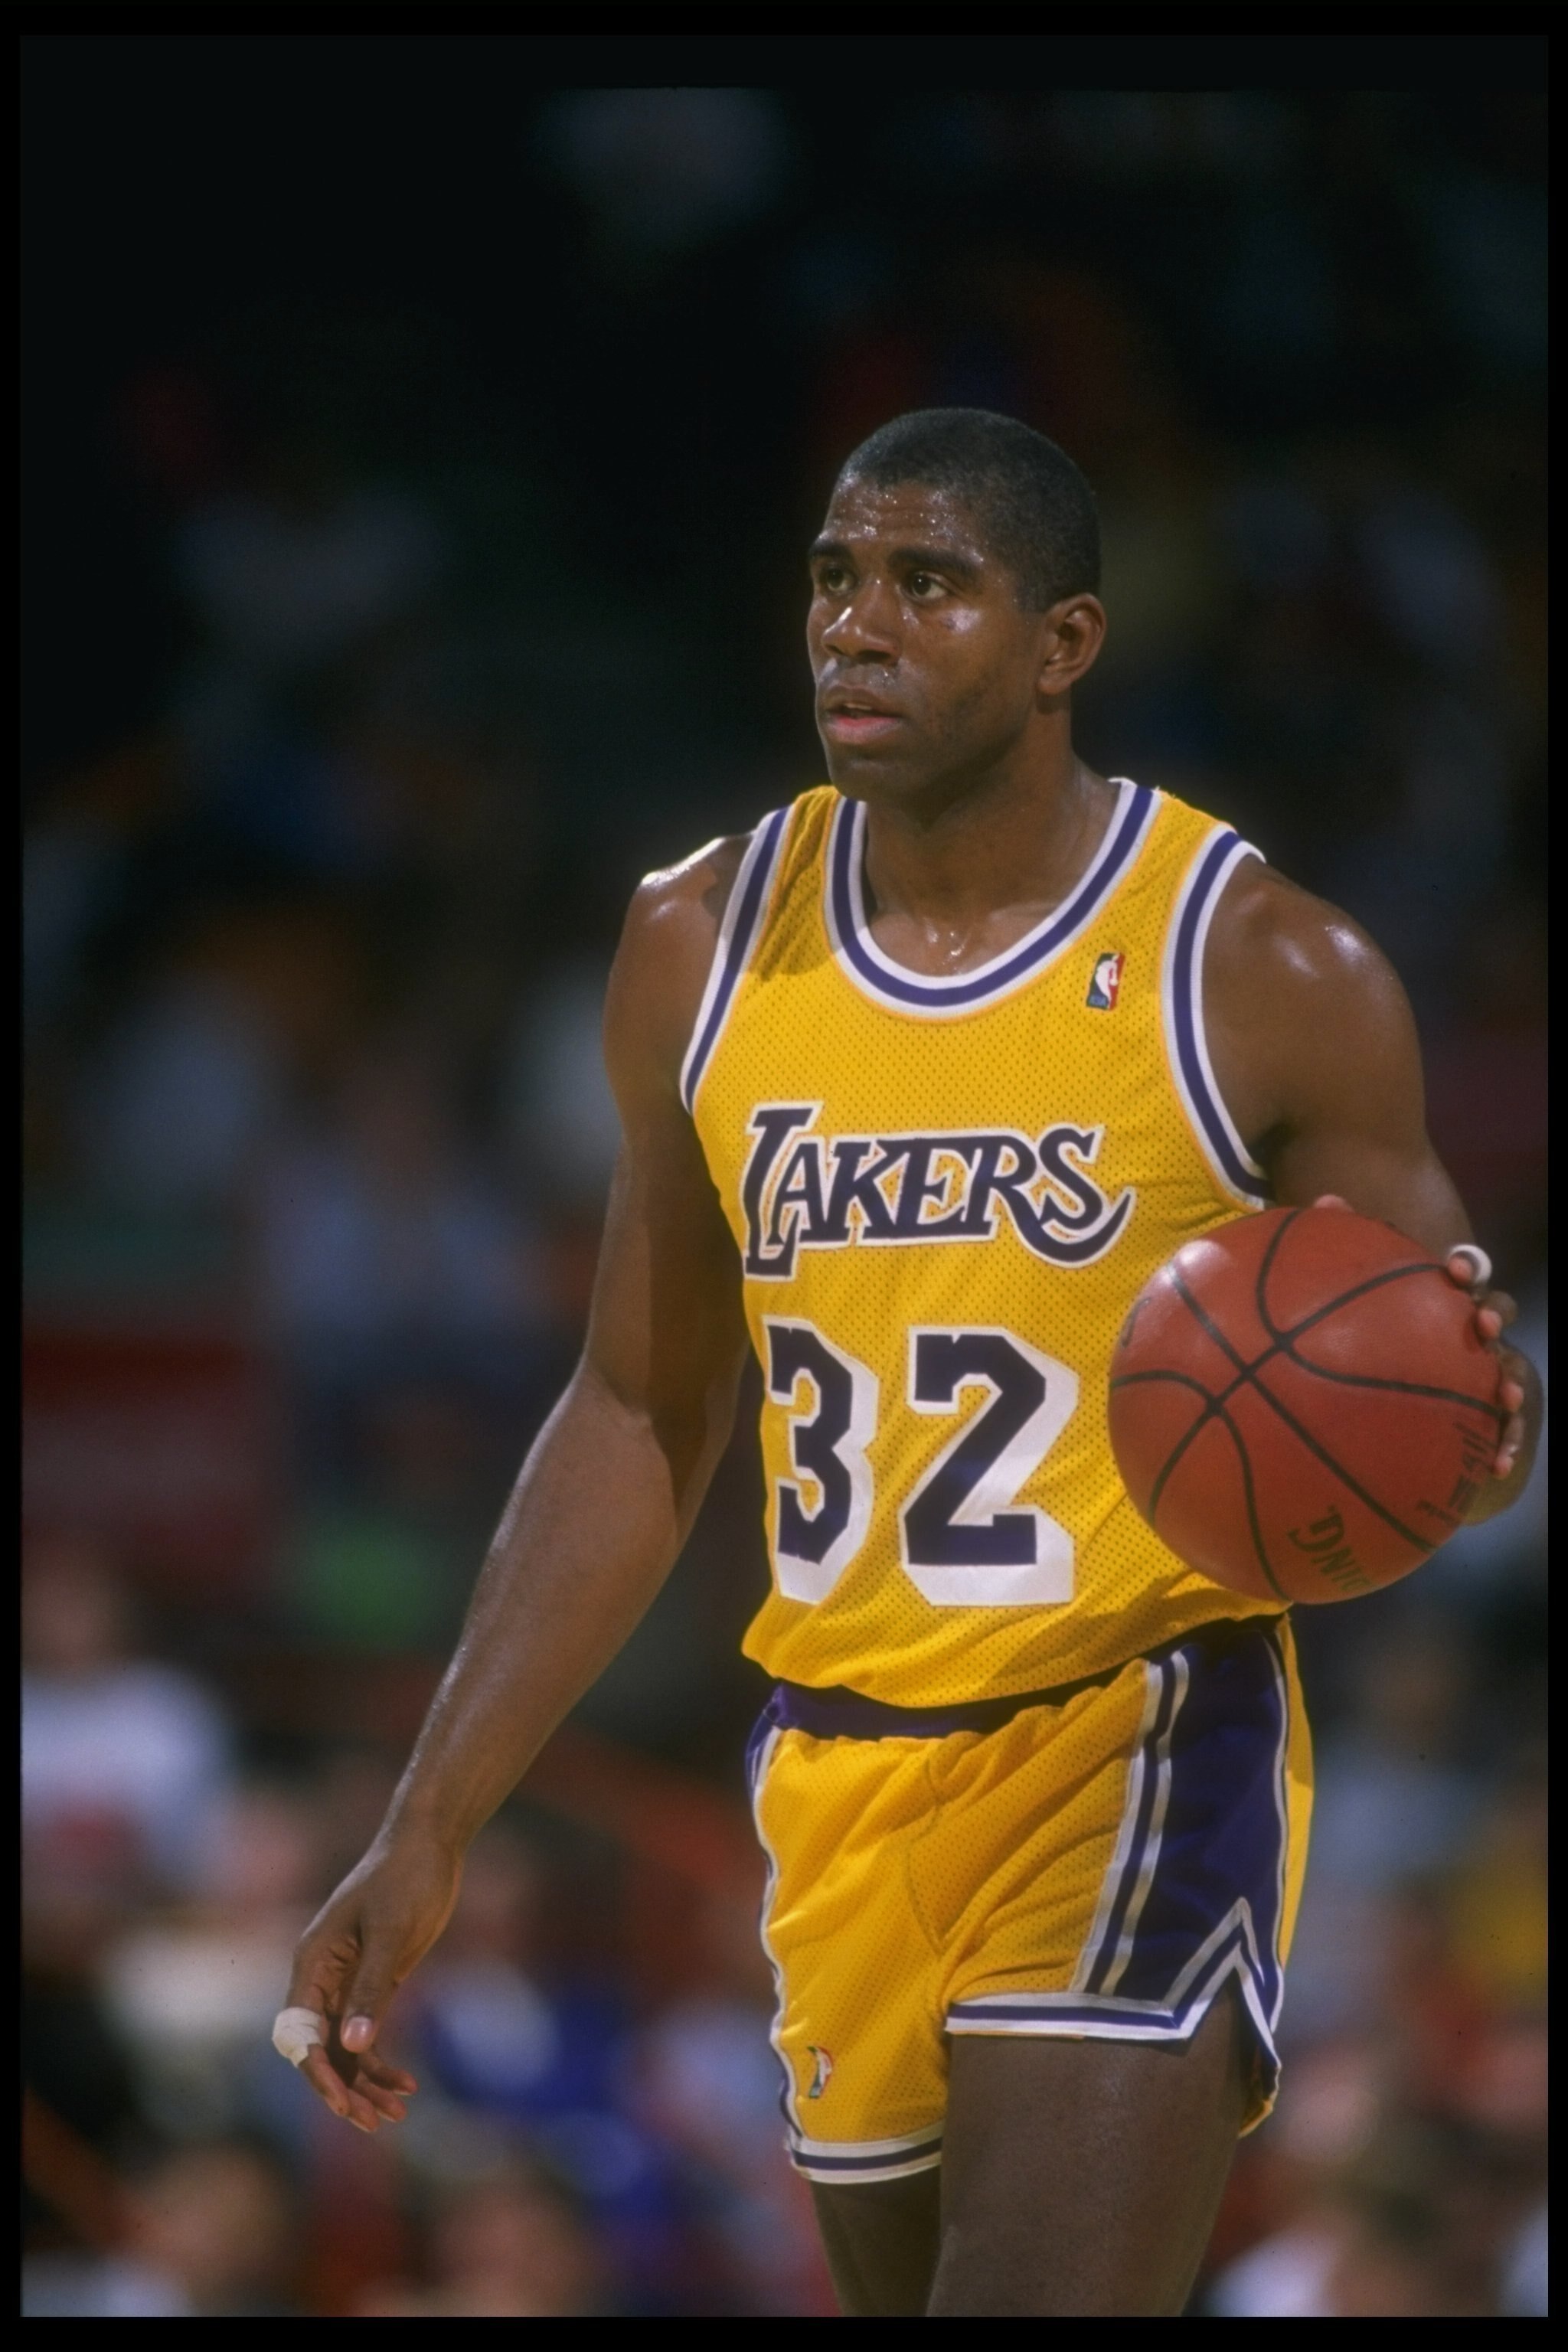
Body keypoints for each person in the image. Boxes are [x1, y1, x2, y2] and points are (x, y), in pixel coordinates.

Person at [276, 410, 1539, 2316]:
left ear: (1064, 645)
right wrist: (429, 1823)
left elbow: (1442, 1411)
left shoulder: (1258, 967)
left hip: (1130, 1722)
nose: (856, 626)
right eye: (833, 580)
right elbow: (639, 1404)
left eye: (927, 583)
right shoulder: (696, 944)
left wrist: (1481, 1431)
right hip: (838, 1771)